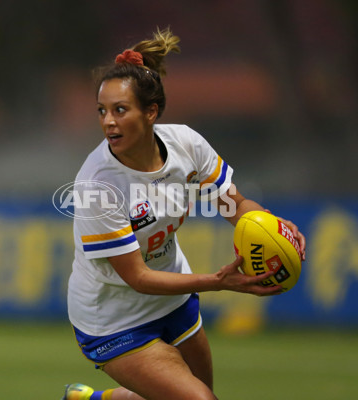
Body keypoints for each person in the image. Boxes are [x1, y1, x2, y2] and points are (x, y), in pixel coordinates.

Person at [62, 28, 306, 400]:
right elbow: (139, 277)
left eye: (120, 110)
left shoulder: (186, 146)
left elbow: (234, 206)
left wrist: (270, 225)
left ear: (151, 112)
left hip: (174, 299)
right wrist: (217, 282)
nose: (108, 121)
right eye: (102, 111)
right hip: (113, 317)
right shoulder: (99, 185)